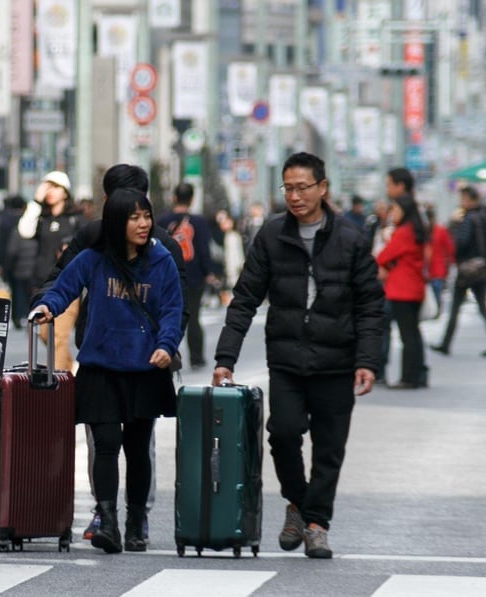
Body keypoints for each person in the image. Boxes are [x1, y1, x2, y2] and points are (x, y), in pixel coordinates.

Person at [212, 152, 384, 559]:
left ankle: (316, 524)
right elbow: (244, 300)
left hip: (336, 360)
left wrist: (367, 360)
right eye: (287, 188)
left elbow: (370, 307)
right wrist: (225, 358)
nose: (294, 196)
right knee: (283, 433)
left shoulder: (351, 239)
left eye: (302, 187)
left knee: (329, 448)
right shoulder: (272, 236)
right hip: (288, 358)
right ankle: (298, 501)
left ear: (322, 188)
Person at [32, 163, 188, 545]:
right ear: (116, 220)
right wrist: (45, 306)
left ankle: (136, 522)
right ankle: (107, 520)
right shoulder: (93, 255)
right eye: (133, 217)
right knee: (105, 444)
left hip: (144, 367)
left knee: (137, 449)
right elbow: (63, 286)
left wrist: (167, 346)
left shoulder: (163, 258)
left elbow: (172, 310)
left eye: (146, 216)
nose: (142, 223)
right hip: (101, 365)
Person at [21, 171, 85, 371]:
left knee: (58, 336)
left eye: (55, 187)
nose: (50, 191)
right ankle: (70, 370)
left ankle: (58, 386)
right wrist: (35, 202)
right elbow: (25, 231)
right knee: (44, 333)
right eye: (47, 186)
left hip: (68, 285)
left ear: (65, 192)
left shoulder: (75, 220)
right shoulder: (41, 218)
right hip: (42, 285)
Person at [431, 186, 486, 357]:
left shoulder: (469, 218)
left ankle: (446, 343)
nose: (461, 202)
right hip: (481, 268)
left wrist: (455, 239)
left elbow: (461, 242)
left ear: (470, 200)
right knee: (483, 308)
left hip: (467, 269)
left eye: (463, 199)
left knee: (455, 307)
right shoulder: (485, 217)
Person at [157, 182, 215, 369]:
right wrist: (209, 272)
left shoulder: (162, 221)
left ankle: (166, 352)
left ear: (174, 197)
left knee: (167, 315)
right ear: (191, 199)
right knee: (193, 316)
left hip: (167, 274)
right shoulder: (198, 221)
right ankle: (196, 357)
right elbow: (204, 249)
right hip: (193, 274)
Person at [375, 194, 428, 388]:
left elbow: (383, 256)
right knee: (412, 333)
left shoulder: (403, 232)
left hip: (401, 289)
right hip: (414, 287)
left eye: (395, 209)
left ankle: (409, 377)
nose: (392, 213)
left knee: (407, 336)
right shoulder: (416, 230)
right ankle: (416, 375)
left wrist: (385, 265)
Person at [0, 195, 36, 329]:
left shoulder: (4, 220)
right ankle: (28, 315)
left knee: (17, 292)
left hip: (16, 265)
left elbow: (9, 249)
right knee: (29, 292)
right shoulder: (34, 225)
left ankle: (18, 317)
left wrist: (5, 264)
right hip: (33, 265)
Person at [425, 207, 455, 312]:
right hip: (425, 268)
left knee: (437, 288)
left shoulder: (440, 230)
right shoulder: (421, 231)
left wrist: (450, 263)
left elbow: (449, 248)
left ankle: (437, 310)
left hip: (438, 267)